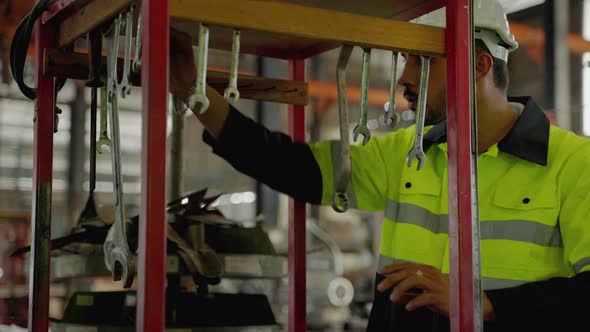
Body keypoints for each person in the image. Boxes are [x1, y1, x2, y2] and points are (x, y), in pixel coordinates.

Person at [169, 0, 590, 330]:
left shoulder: (573, 163)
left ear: (479, 65)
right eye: (404, 60)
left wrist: (484, 304)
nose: (404, 78)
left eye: (421, 61)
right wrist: (195, 90)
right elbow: (292, 165)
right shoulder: (409, 152)